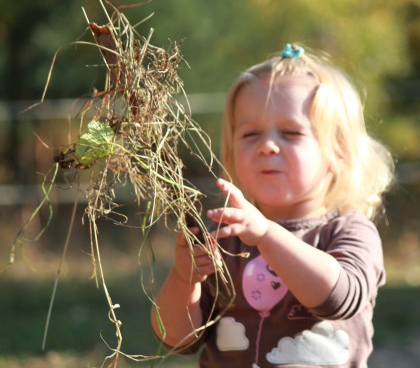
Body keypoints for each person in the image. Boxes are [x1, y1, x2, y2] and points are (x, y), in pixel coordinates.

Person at [151, 43, 395, 368]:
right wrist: (185, 280)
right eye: (250, 134)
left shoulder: (348, 231)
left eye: (291, 132)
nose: (267, 145)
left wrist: (266, 235)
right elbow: (178, 339)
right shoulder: (223, 237)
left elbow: (340, 299)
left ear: (339, 153)